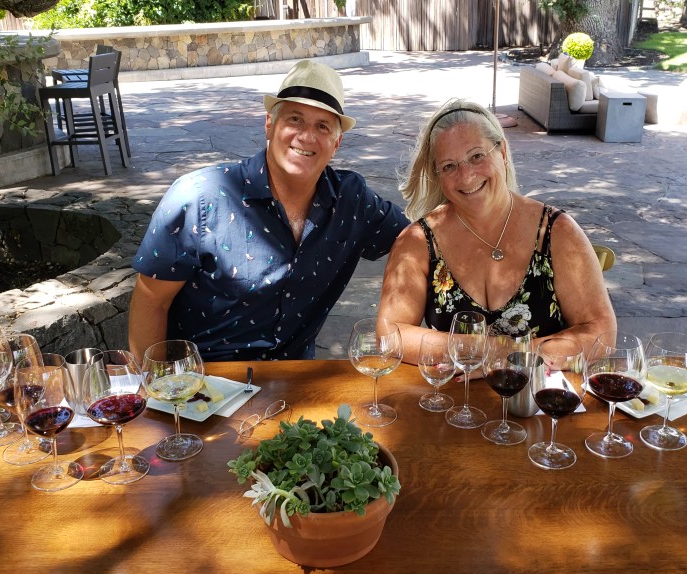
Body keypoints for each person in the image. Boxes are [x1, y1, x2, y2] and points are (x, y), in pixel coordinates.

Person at [129, 60, 409, 362]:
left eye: (322, 126)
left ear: (336, 142)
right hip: (207, 384)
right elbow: (151, 302)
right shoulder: (200, 197)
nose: (306, 136)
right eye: (295, 120)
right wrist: (151, 385)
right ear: (269, 124)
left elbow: (416, 238)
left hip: (294, 386)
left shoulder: (351, 200)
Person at [377, 98, 616, 364]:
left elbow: (601, 334)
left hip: (537, 400)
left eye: (477, 156)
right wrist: (491, 351)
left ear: (502, 152)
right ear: (437, 175)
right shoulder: (418, 241)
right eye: (449, 166)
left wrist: (505, 355)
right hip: (453, 399)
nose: (466, 175)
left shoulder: (556, 231)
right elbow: (391, 336)